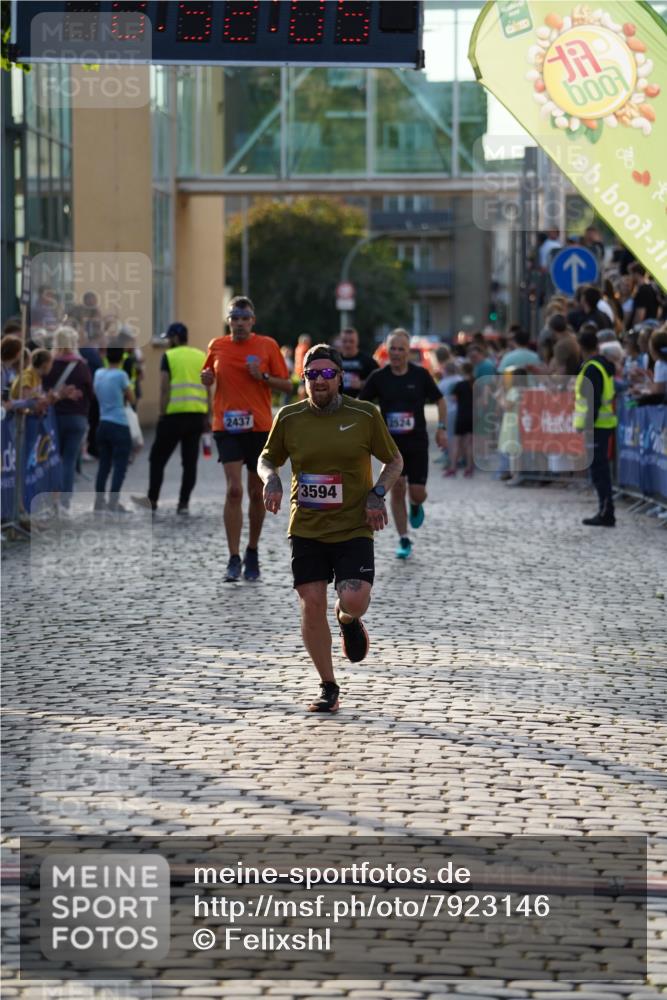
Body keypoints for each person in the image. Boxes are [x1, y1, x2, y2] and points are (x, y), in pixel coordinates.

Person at [257, 343, 403, 713]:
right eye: (311, 374)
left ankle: (348, 618)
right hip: (306, 525)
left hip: (353, 525)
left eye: (326, 374)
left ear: (340, 377)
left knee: (353, 598)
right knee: (310, 603)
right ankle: (328, 686)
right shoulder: (289, 417)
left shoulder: (364, 414)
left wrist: (377, 494)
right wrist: (271, 479)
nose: (319, 381)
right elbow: (266, 459)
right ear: (303, 378)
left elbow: (394, 459)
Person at [201, 296, 291, 582]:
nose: (239, 323)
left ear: (252, 321)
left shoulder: (267, 345)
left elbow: (288, 384)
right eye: (234, 318)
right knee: (234, 491)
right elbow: (208, 377)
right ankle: (233, 557)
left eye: (244, 318)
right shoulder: (217, 346)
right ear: (228, 320)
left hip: (259, 427)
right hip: (226, 426)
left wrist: (263, 376)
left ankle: (252, 551)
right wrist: (205, 379)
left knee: (255, 492)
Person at [360, 328, 446, 559]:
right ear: (386, 351)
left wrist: (442, 428)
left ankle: (416, 505)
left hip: (417, 442)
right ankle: (404, 538)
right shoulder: (379, 377)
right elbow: (361, 405)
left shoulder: (420, 375)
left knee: (417, 493)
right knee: (397, 488)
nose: (396, 353)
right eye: (393, 349)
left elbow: (440, 400)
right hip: (390, 445)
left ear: (409, 352)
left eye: (401, 349)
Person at [132, 322, 209, 515]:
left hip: (173, 416)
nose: (166, 342)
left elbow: (165, 387)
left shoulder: (169, 356)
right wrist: (208, 415)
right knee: (189, 463)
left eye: (168, 339)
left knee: (157, 458)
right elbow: (208, 387)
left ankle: (153, 500)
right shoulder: (201, 356)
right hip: (197, 415)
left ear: (175, 338)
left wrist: (161, 413)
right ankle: (183, 503)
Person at [41, 326, 92, 512]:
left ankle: (50, 499)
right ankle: (65, 501)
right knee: (69, 461)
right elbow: (90, 393)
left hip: (54, 418)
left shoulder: (50, 364)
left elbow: (43, 388)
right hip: (77, 418)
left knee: (51, 459)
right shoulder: (82, 365)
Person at [574, 329, 617, 527]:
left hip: (597, 425)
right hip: (602, 424)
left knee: (600, 471)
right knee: (600, 470)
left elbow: (593, 400)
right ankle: (604, 510)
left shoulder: (592, 368)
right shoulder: (600, 365)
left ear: (581, 347)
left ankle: (606, 512)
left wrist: (587, 425)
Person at [93, 344, 135, 513]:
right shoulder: (121, 375)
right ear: (121, 356)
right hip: (119, 424)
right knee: (120, 466)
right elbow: (131, 398)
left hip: (102, 423)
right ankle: (113, 501)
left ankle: (99, 501)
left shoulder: (98, 373)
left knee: (104, 465)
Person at [445, 362, 474, 478]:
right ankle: (469, 467)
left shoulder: (459, 385)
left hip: (461, 415)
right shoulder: (475, 383)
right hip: (472, 415)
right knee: (469, 444)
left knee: (456, 443)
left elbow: (453, 399)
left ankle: (453, 468)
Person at [339, 326, 378, 398]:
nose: (348, 344)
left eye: (351, 341)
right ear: (340, 342)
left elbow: (379, 382)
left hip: (361, 403)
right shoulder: (333, 360)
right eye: (344, 341)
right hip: (338, 403)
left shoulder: (368, 361)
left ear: (357, 341)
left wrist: (361, 384)